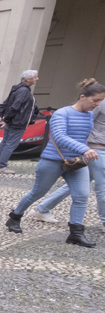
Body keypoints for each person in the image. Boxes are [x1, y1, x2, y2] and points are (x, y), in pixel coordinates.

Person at [5, 79, 105, 248]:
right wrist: (84, 149)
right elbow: (59, 137)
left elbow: (84, 136)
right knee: (37, 193)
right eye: (95, 100)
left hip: (77, 162)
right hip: (52, 161)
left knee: (82, 196)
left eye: (100, 101)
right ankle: (15, 217)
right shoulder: (62, 113)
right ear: (82, 97)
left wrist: (84, 151)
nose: (97, 104)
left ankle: (76, 233)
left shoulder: (89, 115)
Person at [33, 97, 105, 226]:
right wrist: (82, 148)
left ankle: (42, 208)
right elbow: (83, 123)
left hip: (95, 149)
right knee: (101, 186)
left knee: (79, 183)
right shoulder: (99, 102)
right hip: (96, 150)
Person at [0, 69, 39, 174]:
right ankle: (1, 166)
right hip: (18, 122)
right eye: (35, 77)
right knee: (10, 144)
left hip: (13, 120)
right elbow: (15, 106)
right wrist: (5, 119)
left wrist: (2, 116)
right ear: (28, 79)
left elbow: (6, 103)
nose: (37, 79)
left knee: (5, 142)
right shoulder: (24, 91)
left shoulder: (17, 88)